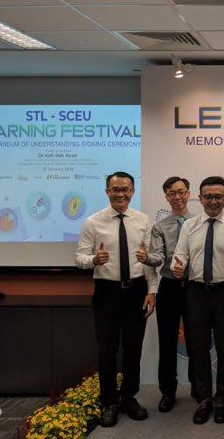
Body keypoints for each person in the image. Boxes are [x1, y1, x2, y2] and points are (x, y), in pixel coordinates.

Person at [74, 171, 157, 428]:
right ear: (107, 191)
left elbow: (149, 259)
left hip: (136, 291)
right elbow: (80, 258)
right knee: (108, 350)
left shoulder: (143, 220)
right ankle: (109, 401)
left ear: (133, 191)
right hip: (107, 292)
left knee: (133, 349)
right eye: (115, 189)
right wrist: (93, 261)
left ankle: (129, 398)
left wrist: (152, 291)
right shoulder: (92, 222)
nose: (120, 194)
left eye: (125, 189)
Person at [170, 176, 224, 425]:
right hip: (195, 293)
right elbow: (179, 256)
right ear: (200, 198)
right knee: (198, 347)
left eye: (219, 196)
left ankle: (222, 398)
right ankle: (204, 398)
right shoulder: (190, 226)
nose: (214, 201)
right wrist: (176, 266)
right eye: (209, 196)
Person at [149, 176, 196, 413]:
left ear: (189, 193)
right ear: (166, 197)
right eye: (172, 193)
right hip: (169, 286)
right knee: (167, 342)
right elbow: (157, 257)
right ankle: (168, 391)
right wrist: (146, 258)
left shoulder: (200, 222)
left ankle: (199, 388)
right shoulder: (159, 227)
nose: (177, 197)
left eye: (182, 192)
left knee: (197, 341)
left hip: (195, 287)